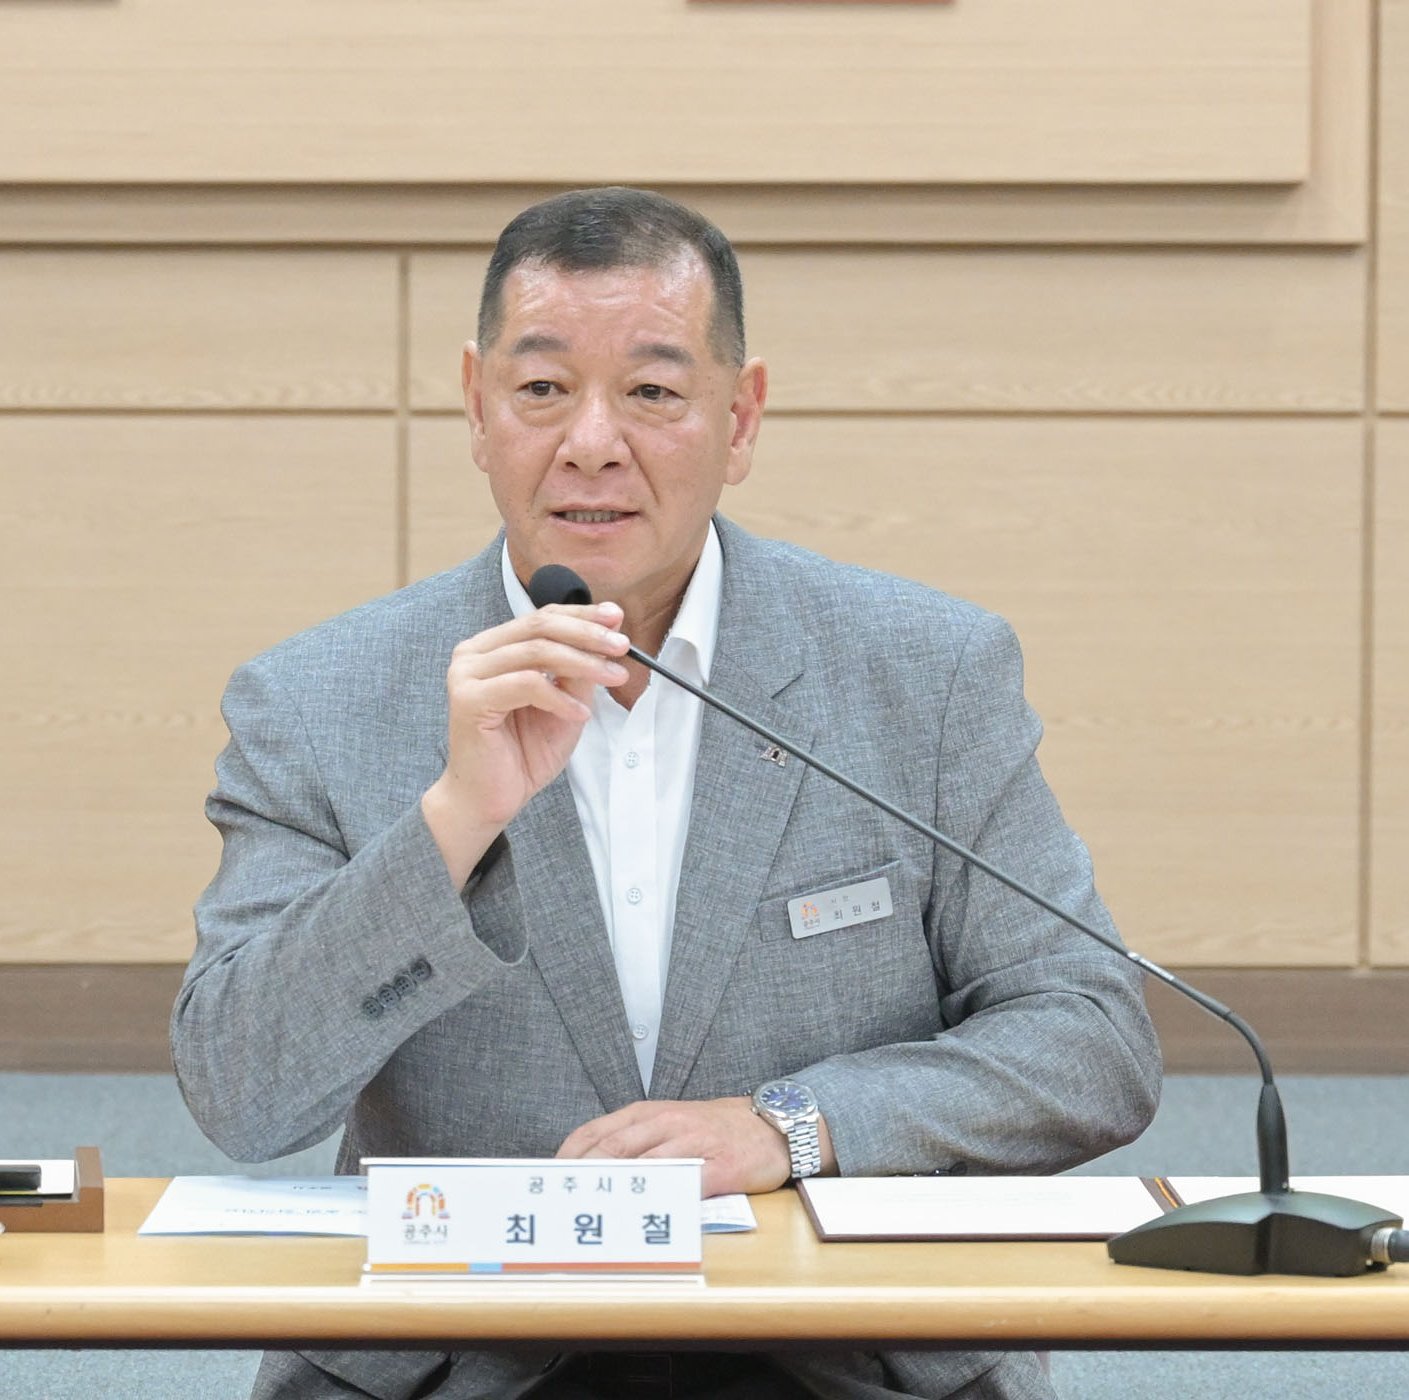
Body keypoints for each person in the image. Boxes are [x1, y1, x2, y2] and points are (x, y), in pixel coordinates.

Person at [172, 187, 1162, 1400]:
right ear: (477, 405)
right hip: (466, 1358)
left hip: (836, 1351)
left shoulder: (925, 673)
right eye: (543, 388)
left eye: (650, 391)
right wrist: (452, 823)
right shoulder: (318, 698)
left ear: (740, 418)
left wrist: (793, 1125)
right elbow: (239, 1089)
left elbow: (1090, 1037)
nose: (592, 442)